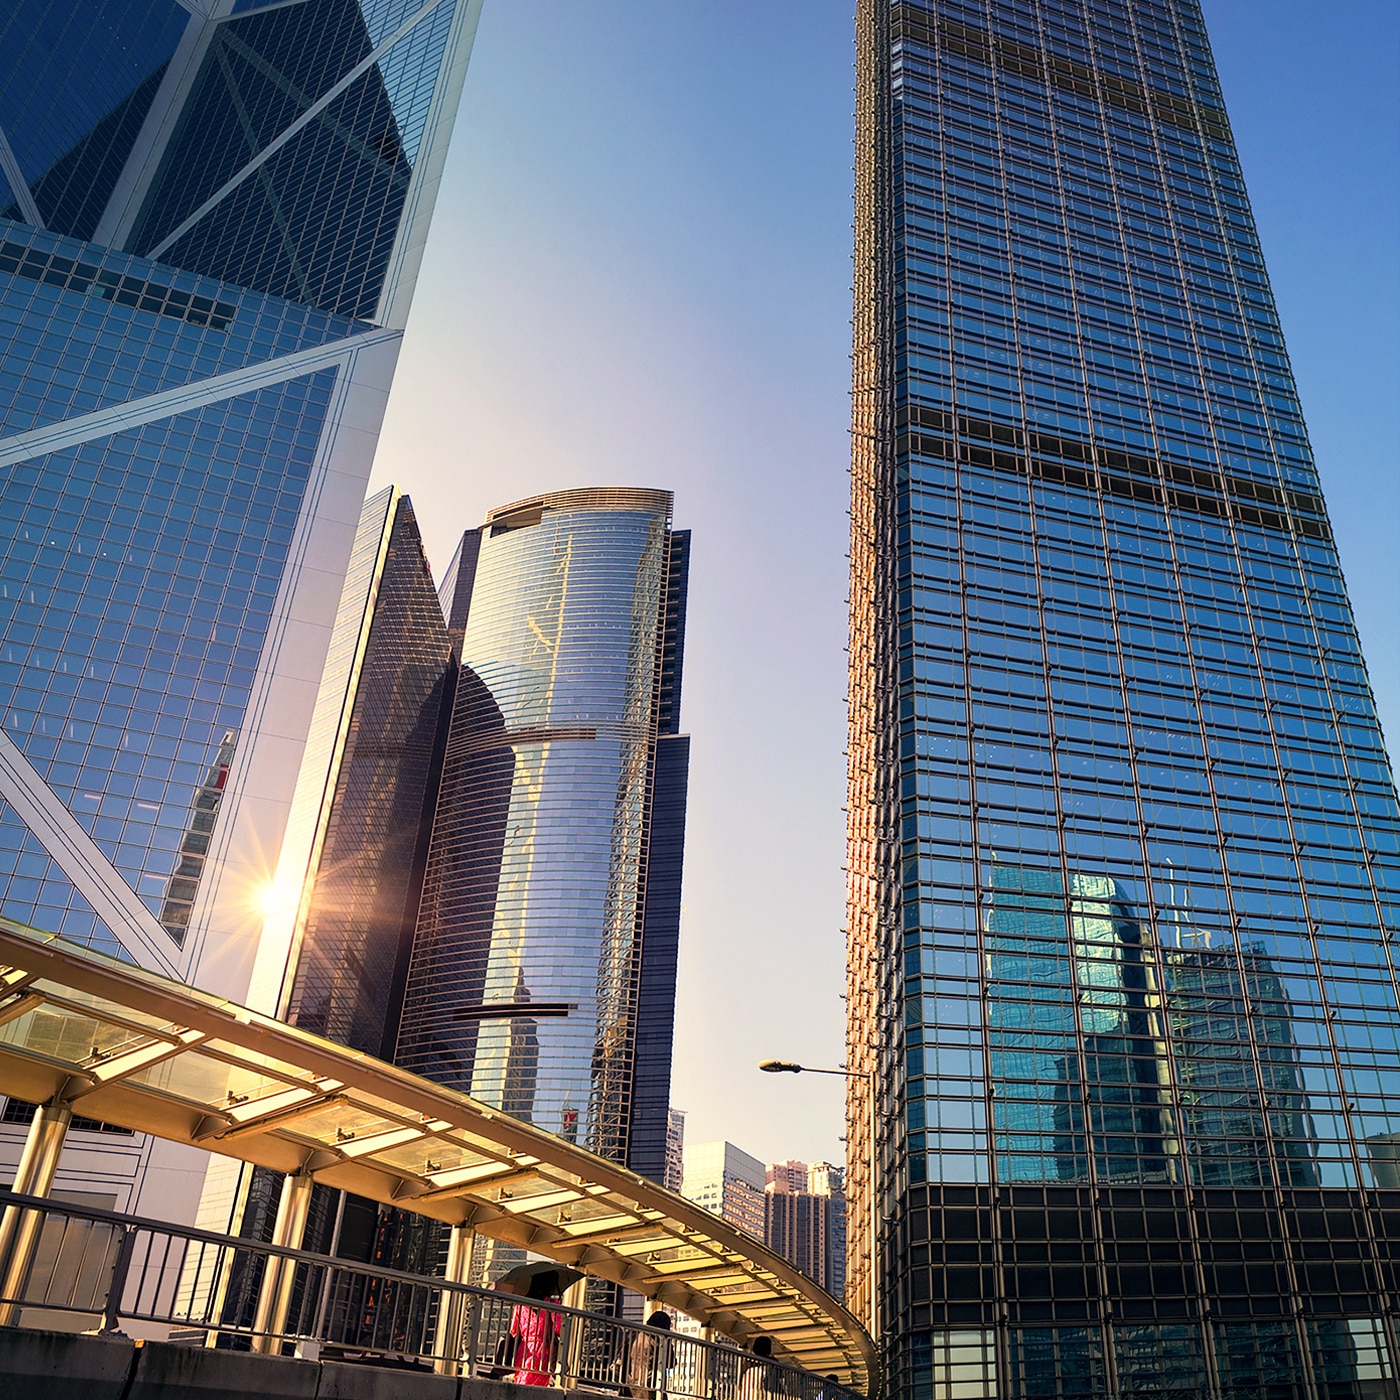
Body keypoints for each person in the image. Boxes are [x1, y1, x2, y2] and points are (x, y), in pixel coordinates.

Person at [510, 1270, 564, 1386]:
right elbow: (559, 1328)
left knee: (521, 1380)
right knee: (538, 1384)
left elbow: (514, 1330)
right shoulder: (551, 1305)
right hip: (543, 1349)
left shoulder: (520, 1304)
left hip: (524, 1348)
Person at [624, 1310, 674, 1400]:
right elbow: (671, 1363)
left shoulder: (635, 1334)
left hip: (631, 1381)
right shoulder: (661, 1340)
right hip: (651, 1384)